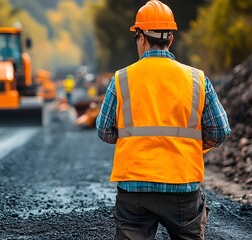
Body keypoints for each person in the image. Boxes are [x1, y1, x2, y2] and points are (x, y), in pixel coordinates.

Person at [95, 1, 231, 239]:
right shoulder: (197, 79)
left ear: (140, 37)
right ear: (170, 39)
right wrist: (190, 146)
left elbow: (104, 131)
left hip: (134, 186)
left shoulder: (121, 79)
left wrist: (132, 138)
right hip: (183, 184)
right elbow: (220, 131)